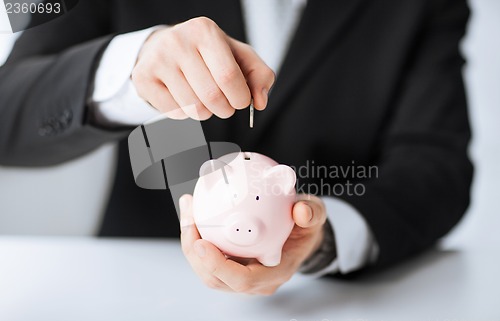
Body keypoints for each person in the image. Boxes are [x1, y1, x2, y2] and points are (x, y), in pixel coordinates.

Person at [0, 0, 472, 295]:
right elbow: (9, 111)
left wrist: (323, 240)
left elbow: (438, 165)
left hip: (329, 305)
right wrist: (131, 67)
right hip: (132, 290)